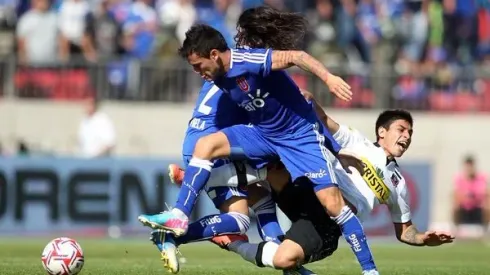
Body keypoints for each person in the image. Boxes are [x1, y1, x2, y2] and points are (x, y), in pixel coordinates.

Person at [138, 19, 378, 273]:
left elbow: (297, 56)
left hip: (298, 138)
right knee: (206, 145)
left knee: (332, 204)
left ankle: (369, 269)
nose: (198, 72)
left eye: (199, 65)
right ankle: (180, 214)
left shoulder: (247, 61)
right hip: (264, 135)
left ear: (214, 54)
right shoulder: (218, 75)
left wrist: (329, 79)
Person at [164, 107, 455, 274]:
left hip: (327, 223)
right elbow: (323, 117)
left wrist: (424, 238)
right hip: (313, 191)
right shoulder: (355, 141)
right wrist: (305, 101)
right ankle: (202, 176)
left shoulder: (398, 184)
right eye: (401, 130)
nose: (406, 137)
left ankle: (234, 242)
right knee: (276, 160)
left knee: (283, 260)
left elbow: (405, 231)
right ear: (382, 132)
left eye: (410, 134)